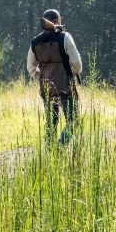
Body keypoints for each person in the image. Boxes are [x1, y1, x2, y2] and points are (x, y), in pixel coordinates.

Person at [27, 9, 82, 144]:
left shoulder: (36, 41)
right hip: (65, 86)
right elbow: (77, 63)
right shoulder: (64, 37)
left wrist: (41, 77)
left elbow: (31, 67)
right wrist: (74, 73)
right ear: (57, 20)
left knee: (51, 123)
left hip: (47, 87)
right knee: (73, 121)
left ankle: (50, 151)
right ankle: (60, 145)